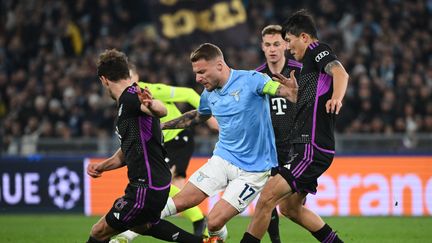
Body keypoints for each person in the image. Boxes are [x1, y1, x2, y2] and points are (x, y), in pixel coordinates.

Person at [158, 42, 298, 242]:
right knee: (182, 201)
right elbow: (197, 116)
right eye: (196, 73)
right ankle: (138, 223)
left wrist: (290, 92)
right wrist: (162, 127)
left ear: (220, 65)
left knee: (213, 223)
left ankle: (218, 235)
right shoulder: (208, 94)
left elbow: (280, 91)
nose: (198, 78)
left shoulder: (252, 80)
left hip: (254, 170)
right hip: (222, 159)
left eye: (202, 72)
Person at [241, 10, 349, 243]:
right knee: (290, 209)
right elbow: (314, 100)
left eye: (288, 41)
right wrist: (296, 92)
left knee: (267, 197)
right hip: (306, 146)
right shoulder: (308, 68)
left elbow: (340, 72)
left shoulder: (318, 51)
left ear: (304, 37)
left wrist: (337, 98)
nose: (288, 48)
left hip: (311, 147)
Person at [87, 49, 205, 243]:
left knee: (99, 231)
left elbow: (161, 109)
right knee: (142, 225)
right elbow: (126, 152)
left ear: (104, 80)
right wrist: (102, 166)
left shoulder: (132, 96)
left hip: (144, 187)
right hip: (155, 185)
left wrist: (152, 105)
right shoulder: (128, 102)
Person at [111, 64, 219, 242]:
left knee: (160, 182)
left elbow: (189, 94)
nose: (128, 82)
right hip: (162, 145)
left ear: (137, 77)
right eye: (125, 78)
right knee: (174, 190)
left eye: (131, 77)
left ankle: (128, 235)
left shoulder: (150, 90)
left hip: (177, 138)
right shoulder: (126, 101)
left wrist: (210, 117)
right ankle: (203, 227)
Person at [256, 24, 303, 243]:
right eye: (268, 45)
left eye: (276, 44)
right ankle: (276, 241)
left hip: (296, 147)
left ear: (285, 44)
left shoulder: (300, 71)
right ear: (262, 47)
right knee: (267, 199)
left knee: (292, 208)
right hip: (268, 148)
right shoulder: (256, 77)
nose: (272, 49)